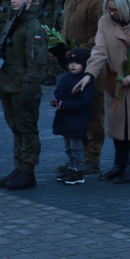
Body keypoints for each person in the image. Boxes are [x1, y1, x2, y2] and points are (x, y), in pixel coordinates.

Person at [76, 0, 130, 183]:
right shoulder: (105, 22)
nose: (111, 13)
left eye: (115, 10)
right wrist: (89, 75)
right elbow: (99, 50)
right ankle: (119, 165)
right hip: (115, 81)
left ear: (126, 7)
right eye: (109, 9)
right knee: (118, 127)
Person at [0, 0, 46, 190]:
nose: (13, 1)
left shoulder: (32, 26)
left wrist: (27, 90)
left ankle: (28, 171)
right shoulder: (14, 21)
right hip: (9, 85)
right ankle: (19, 166)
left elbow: (36, 63)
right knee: (16, 128)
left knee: (27, 129)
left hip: (23, 88)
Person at [59, 0, 109, 174]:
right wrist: (60, 49)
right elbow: (64, 26)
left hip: (91, 62)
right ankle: (77, 157)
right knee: (74, 109)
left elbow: (102, 32)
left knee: (93, 109)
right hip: (72, 62)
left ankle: (92, 157)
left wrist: (80, 52)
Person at [51, 47, 95, 185]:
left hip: (77, 121)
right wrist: (55, 100)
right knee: (68, 147)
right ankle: (71, 167)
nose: (73, 65)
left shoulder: (84, 81)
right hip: (65, 120)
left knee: (76, 147)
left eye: (77, 63)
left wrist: (64, 105)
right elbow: (59, 92)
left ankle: (78, 171)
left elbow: (85, 102)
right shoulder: (65, 78)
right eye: (71, 63)